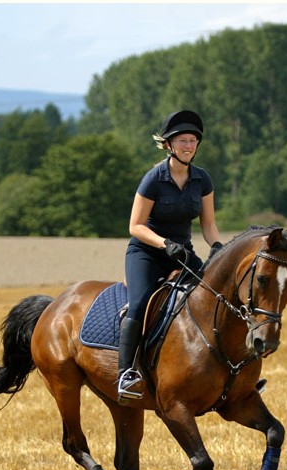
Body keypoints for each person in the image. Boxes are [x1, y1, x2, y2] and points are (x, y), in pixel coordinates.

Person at [116, 110, 223, 401]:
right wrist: (164, 243)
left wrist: (217, 247)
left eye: (193, 141)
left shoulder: (202, 180)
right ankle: (126, 374)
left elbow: (209, 225)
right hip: (147, 252)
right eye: (182, 141)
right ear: (169, 145)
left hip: (182, 254)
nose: (189, 146)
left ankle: (233, 372)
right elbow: (135, 226)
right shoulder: (153, 179)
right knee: (138, 304)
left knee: (219, 295)